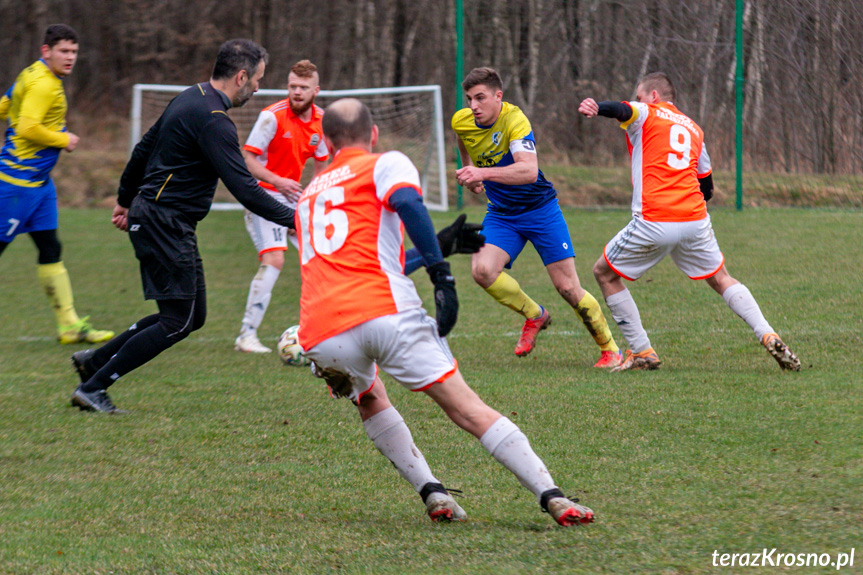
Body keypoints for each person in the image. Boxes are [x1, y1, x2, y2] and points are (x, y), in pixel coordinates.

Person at [295, 97, 595, 527]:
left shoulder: (309, 196)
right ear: (374, 134)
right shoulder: (384, 163)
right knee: (466, 409)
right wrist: (442, 274)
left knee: (370, 398)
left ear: (324, 143)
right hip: (384, 312)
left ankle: (432, 492)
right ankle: (554, 497)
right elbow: (409, 206)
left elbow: (373, 261)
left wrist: (444, 243)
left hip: (322, 333)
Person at [69, 39, 297, 413]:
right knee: (178, 320)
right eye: (257, 79)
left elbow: (142, 149)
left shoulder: (190, 97)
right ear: (241, 77)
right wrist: (297, 220)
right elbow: (245, 188)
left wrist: (126, 199)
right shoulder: (215, 123)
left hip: (158, 217)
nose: (258, 87)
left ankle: (94, 361)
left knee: (191, 316)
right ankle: (94, 387)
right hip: (164, 221)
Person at [578, 72, 800, 371]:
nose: (638, 101)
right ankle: (767, 333)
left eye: (640, 95)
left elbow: (623, 109)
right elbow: (706, 187)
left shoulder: (647, 112)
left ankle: (642, 351)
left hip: (655, 218)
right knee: (721, 278)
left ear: (653, 96)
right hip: (695, 219)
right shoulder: (694, 129)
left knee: (603, 273)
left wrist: (598, 106)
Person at [452, 67, 621, 367]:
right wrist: (470, 171)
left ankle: (610, 350)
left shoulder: (515, 121)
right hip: (502, 215)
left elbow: (529, 171)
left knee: (568, 288)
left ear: (498, 96)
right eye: (469, 99)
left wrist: (482, 172)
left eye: (480, 98)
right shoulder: (462, 120)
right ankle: (535, 315)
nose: (473, 106)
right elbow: (462, 138)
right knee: (482, 271)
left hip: (540, 211)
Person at [0, 24, 113, 345]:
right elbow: (26, 127)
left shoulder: (31, 75)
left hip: (39, 186)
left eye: (74, 52)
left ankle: (69, 326)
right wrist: (64, 138)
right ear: (45, 51)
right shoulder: (43, 85)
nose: (70, 58)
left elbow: (5, 107)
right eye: (63, 51)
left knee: (51, 248)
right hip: (16, 185)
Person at [234, 60, 329, 354]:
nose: (297, 92)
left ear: (316, 90)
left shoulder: (322, 120)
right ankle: (246, 335)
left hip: (294, 199)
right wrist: (279, 181)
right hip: (262, 195)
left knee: (319, 260)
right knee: (274, 259)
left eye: (303, 87)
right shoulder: (271, 117)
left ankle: (321, 330)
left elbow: (322, 163)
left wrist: (312, 198)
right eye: (292, 86)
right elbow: (248, 160)